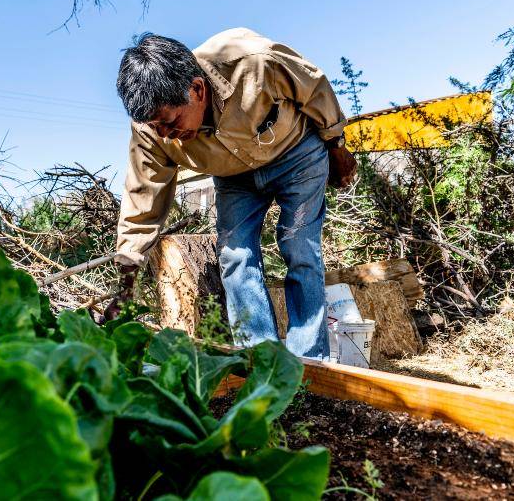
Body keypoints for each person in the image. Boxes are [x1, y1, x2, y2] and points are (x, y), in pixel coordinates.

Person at [107, 28, 357, 359]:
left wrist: (336, 147)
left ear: (196, 89)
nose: (166, 135)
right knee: (235, 257)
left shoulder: (253, 61)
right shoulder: (150, 130)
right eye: (156, 128)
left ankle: (309, 361)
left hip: (296, 154)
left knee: (299, 245)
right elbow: (142, 199)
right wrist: (126, 280)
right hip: (233, 177)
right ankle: (260, 361)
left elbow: (315, 90)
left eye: (171, 122)